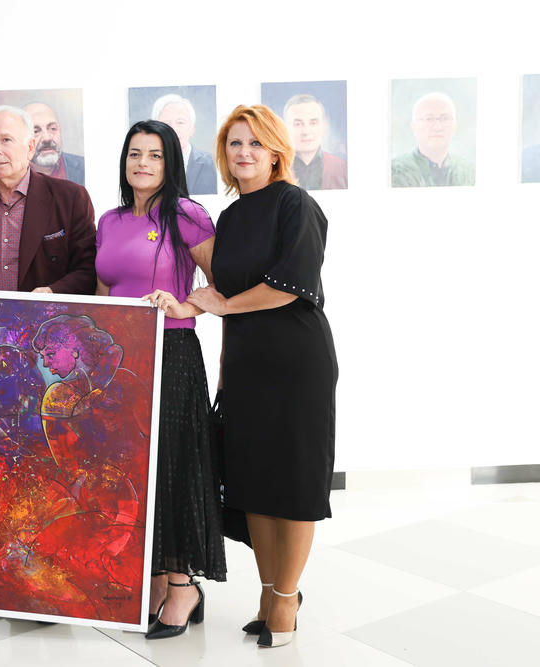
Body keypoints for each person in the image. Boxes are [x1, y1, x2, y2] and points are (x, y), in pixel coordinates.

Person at [187, 104, 337, 649]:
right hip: (246, 364)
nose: (244, 152)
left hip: (297, 363)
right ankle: (270, 591)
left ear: (276, 152)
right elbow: (226, 296)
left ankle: (286, 600)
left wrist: (223, 307)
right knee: (254, 484)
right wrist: (224, 369)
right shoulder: (229, 217)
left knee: (292, 485)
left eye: (255, 143)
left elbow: (288, 285)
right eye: (235, 143)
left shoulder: (296, 204)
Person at [95, 119, 226, 640]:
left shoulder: (187, 216)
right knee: (132, 470)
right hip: (119, 360)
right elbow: (103, 295)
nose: (143, 163)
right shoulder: (109, 220)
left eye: (155, 154)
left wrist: (185, 304)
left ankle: (182, 585)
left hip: (171, 354)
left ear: (170, 163)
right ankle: (151, 577)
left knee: (171, 466)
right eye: (135, 153)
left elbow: (223, 285)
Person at [0, 106, 96, 295]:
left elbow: (87, 269)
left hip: (47, 313)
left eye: (6, 140)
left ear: (30, 148)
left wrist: (52, 292)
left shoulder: (71, 198)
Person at [392, 91, 475, 187]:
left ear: (454, 126)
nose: (437, 127)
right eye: (429, 119)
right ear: (414, 127)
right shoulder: (395, 172)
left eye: (444, 119)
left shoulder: (470, 173)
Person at [152, 93, 217, 194]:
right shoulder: (148, 165)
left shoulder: (211, 164)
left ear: (192, 129)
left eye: (180, 122)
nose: (174, 129)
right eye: (167, 123)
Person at [282, 94, 347, 190]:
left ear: (324, 126)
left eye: (313, 123)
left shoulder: (342, 168)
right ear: (284, 128)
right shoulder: (275, 170)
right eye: (298, 124)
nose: (306, 131)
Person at [23, 101, 86, 185]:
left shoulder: (85, 166)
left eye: (53, 128)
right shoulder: (11, 175)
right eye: (35, 131)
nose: (47, 138)